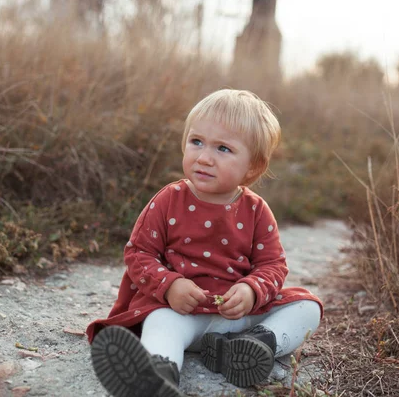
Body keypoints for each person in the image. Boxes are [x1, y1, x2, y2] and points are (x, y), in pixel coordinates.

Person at [87, 89, 323, 397]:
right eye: (196, 142)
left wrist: (252, 290)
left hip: (238, 320)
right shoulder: (169, 200)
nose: (204, 157)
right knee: (159, 323)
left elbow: (273, 265)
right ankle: (157, 376)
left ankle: (256, 344)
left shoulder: (255, 210)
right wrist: (169, 285)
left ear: (252, 166)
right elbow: (138, 253)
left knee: (308, 307)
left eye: (223, 148)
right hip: (181, 314)